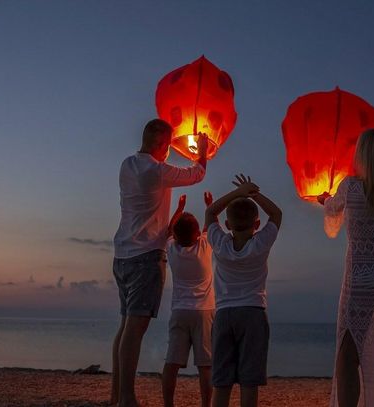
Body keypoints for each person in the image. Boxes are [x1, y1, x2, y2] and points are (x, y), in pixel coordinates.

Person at [111, 119, 208, 407]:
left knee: (125, 326)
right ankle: (127, 398)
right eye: (168, 147)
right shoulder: (156, 170)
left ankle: (116, 394)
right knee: (134, 329)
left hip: (122, 255)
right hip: (145, 257)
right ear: (163, 146)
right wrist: (201, 149)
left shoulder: (127, 164)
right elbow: (197, 173)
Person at [317, 129, 374, 407]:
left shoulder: (351, 187)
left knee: (348, 355)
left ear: (363, 155)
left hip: (360, 280)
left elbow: (333, 211)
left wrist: (325, 200)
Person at [204, 174, 282, 407]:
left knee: (222, 381)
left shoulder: (220, 243)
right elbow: (277, 214)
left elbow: (210, 214)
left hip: (224, 314)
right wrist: (254, 194)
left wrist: (238, 193)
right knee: (249, 381)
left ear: (227, 225)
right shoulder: (260, 244)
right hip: (253, 313)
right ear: (257, 225)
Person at [162, 191, 215, 407]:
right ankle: (205, 405)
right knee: (205, 365)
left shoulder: (172, 249)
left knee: (172, 362)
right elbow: (210, 225)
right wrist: (209, 206)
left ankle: (168, 404)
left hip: (180, 311)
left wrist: (179, 208)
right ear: (196, 234)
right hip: (204, 312)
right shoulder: (204, 246)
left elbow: (168, 231)